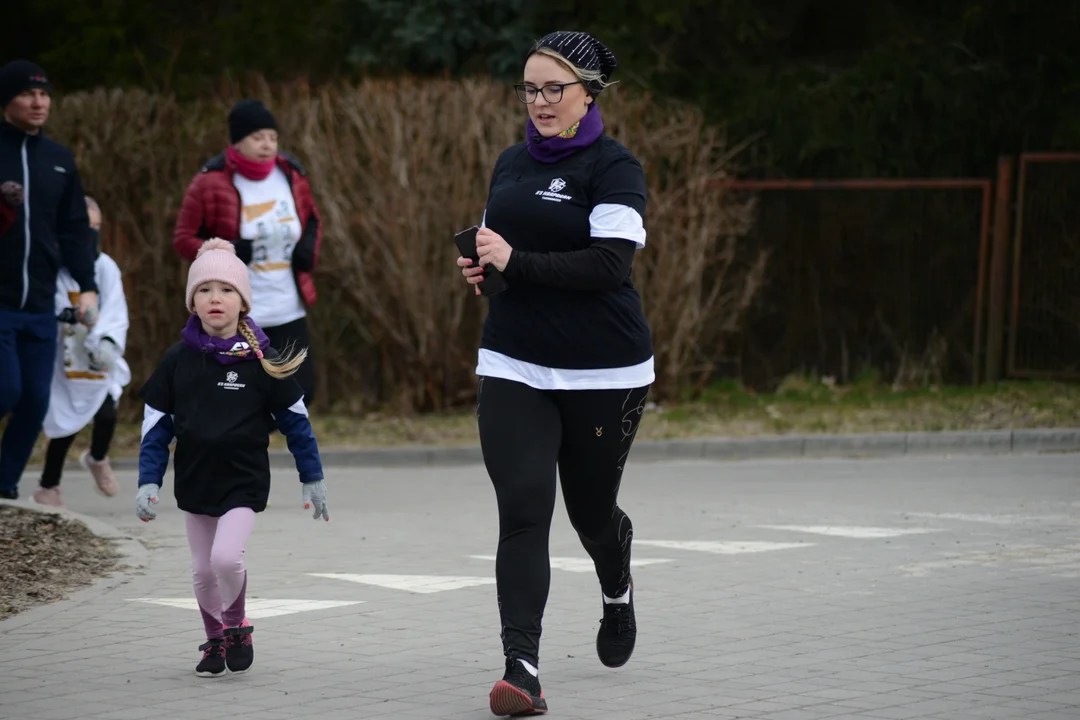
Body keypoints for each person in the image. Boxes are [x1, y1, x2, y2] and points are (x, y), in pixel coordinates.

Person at [456, 31, 654, 717]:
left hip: (605, 368)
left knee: (591, 515)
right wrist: (485, 269)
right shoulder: (510, 164)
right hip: (514, 361)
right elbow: (507, 257)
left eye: (553, 89)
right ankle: (523, 669)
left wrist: (517, 262)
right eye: (529, 89)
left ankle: (616, 579)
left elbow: (610, 266)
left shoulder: (616, 168)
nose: (538, 102)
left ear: (588, 94)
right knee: (524, 510)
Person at [134, 238, 329, 678]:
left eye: (226, 289)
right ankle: (214, 641)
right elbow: (156, 426)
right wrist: (149, 480)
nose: (215, 298)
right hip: (195, 481)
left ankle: (237, 624)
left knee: (225, 559)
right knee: (202, 572)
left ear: (242, 301)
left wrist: (311, 477)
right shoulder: (177, 360)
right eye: (204, 290)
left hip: (242, 482)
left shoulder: (262, 358)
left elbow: (297, 422)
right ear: (192, 302)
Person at [172, 99, 322, 406]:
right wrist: (226, 251)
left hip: (288, 305)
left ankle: (249, 440)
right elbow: (183, 238)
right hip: (237, 310)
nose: (268, 144)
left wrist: (308, 249)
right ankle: (239, 443)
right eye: (258, 137)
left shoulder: (292, 174)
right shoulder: (209, 181)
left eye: (272, 137)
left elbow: (312, 220)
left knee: (301, 390)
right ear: (237, 141)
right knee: (238, 395)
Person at [0, 59, 99, 501]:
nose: (39, 102)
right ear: (8, 100)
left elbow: (75, 228)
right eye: (28, 93)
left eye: (44, 94)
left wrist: (88, 284)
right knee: (7, 388)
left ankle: (5, 486)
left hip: (40, 304)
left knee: (35, 400)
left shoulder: (59, 159)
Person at [35, 196, 130, 507]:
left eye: (96, 228)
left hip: (95, 359)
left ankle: (98, 458)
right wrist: (63, 314)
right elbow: (42, 303)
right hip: (62, 363)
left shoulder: (105, 267)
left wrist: (107, 343)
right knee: (63, 425)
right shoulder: (50, 266)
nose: (90, 235)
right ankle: (49, 487)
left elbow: (116, 309)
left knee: (106, 414)